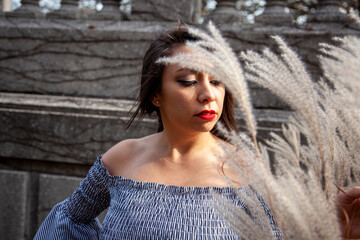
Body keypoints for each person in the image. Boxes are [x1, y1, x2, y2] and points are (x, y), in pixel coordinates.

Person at [34, 27, 360, 239]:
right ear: (155, 94)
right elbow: (70, 221)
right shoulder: (121, 158)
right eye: (188, 81)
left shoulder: (246, 167)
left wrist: (335, 229)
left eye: (216, 80)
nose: (208, 94)